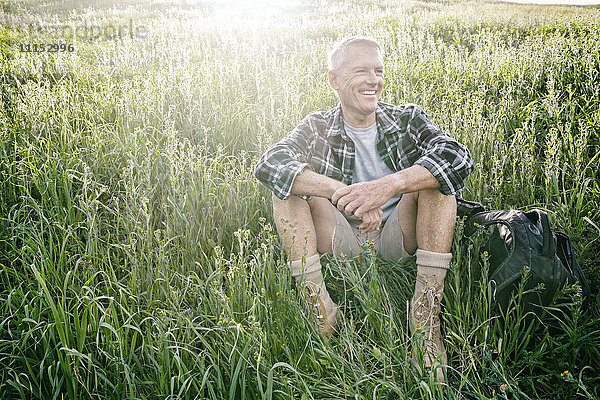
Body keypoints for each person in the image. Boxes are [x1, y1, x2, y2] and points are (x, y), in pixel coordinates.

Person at [254, 36, 474, 382]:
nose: (373, 81)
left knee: (438, 182)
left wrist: (387, 187)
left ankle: (426, 319)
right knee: (285, 188)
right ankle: (320, 309)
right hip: (341, 237)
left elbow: (457, 157)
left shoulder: (406, 118)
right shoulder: (317, 125)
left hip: (396, 235)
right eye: (361, 71)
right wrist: (344, 193)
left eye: (378, 71)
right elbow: (269, 164)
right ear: (334, 81)